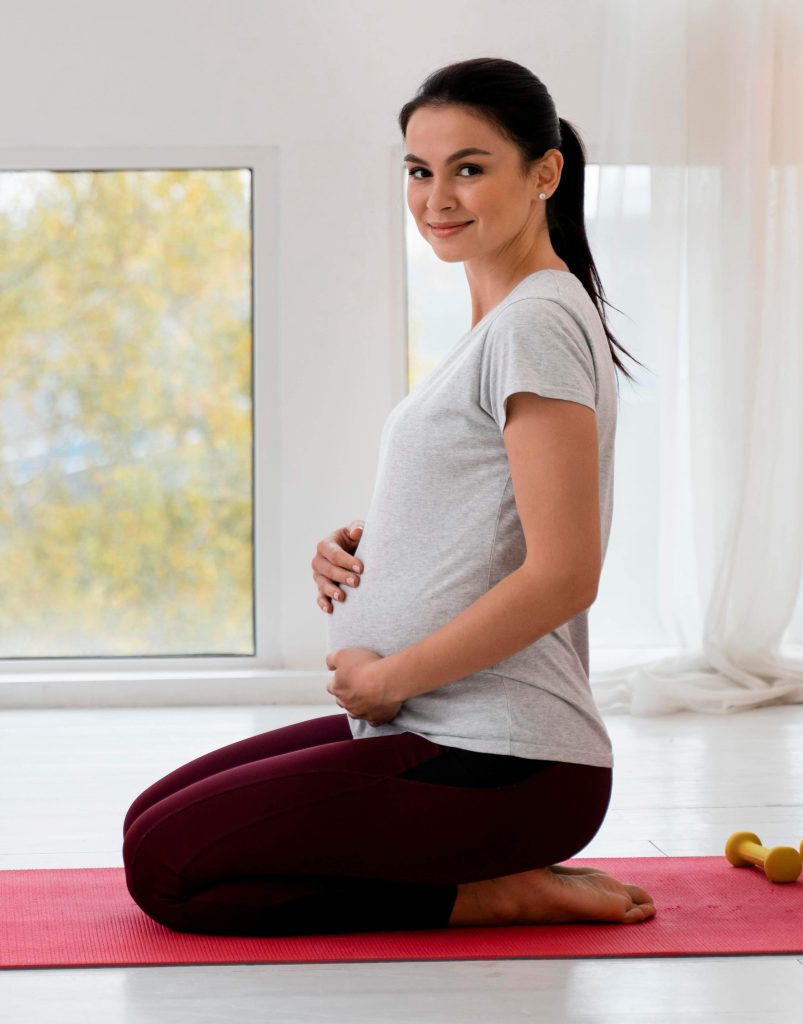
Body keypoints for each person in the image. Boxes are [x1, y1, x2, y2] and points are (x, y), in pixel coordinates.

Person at [122, 56, 653, 936]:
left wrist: (388, 678)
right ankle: (483, 872)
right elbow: (497, 512)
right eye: (419, 170)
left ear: (544, 173)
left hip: (504, 755)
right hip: (437, 723)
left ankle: (490, 891)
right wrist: (376, 543)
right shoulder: (505, 322)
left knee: (169, 869)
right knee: (153, 818)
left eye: (469, 168)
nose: (436, 196)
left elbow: (565, 573)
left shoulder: (536, 322)